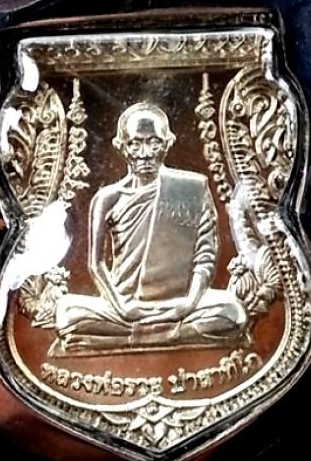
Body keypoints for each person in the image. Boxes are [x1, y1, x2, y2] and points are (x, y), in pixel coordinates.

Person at [50, 102, 248, 355]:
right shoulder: (108, 198)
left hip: (180, 304)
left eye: (154, 143)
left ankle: (127, 338)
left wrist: (189, 303)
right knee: (66, 313)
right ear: (121, 146)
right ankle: (170, 334)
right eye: (135, 144)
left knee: (233, 312)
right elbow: (96, 264)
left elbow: (205, 255)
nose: (144, 154)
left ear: (168, 143)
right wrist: (122, 307)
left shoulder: (191, 189)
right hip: (123, 305)